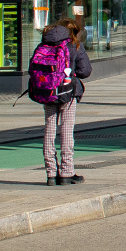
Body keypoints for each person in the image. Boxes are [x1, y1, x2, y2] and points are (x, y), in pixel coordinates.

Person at [40, 18, 91, 185]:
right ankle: (67, 172)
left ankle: (51, 174)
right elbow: (85, 71)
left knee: (49, 128)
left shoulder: (44, 45)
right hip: (68, 93)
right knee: (67, 130)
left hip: (47, 92)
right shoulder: (74, 46)